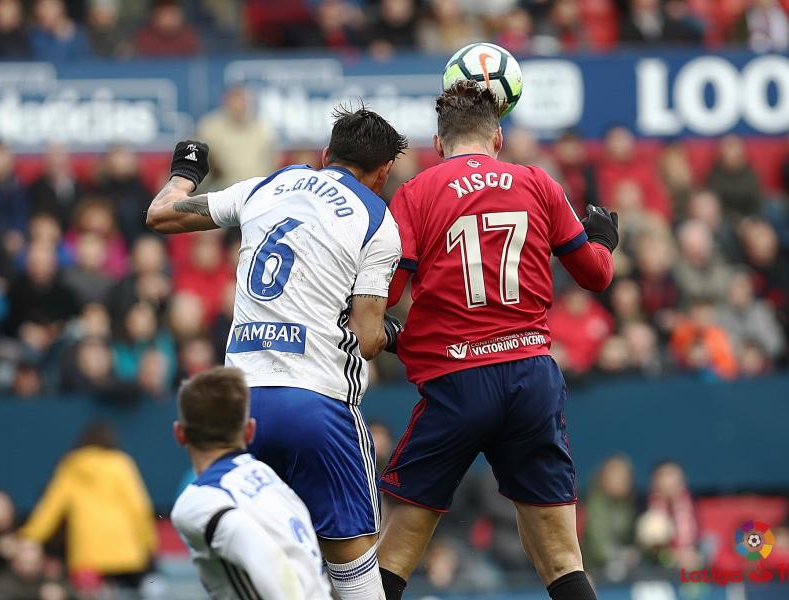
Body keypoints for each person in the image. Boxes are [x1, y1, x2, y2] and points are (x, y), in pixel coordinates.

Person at [147, 106, 406, 600]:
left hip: (241, 410)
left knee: (252, 571)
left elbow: (160, 214)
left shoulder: (266, 186)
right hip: (318, 406)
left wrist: (185, 173)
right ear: (383, 173)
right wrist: (401, 332)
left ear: (326, 154)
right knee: (354, 573)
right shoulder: (378, 220)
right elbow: (368, 338)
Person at [377, 80, 618, 600]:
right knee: (560, 556)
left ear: (438, 144)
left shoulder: (416, 191)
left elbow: (389, 291)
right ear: (498, 138)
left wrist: (396, 333)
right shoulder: (537, 181)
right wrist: (603, 239)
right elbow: (596, 276)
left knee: (399, 547)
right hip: (530, 374)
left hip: (457, 381)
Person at [170, 366, 331, 599]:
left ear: (179, 433)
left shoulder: (199, 501)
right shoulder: (271, 479)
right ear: (249, 431)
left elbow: (267, 559)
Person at [18, 422, 157, 591]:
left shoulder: (72, 466)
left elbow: (51, 507)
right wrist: (149, 544)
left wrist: (29, 535)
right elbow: (139, 507)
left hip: (87, 553)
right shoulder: (120, 463)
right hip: (125, 552)